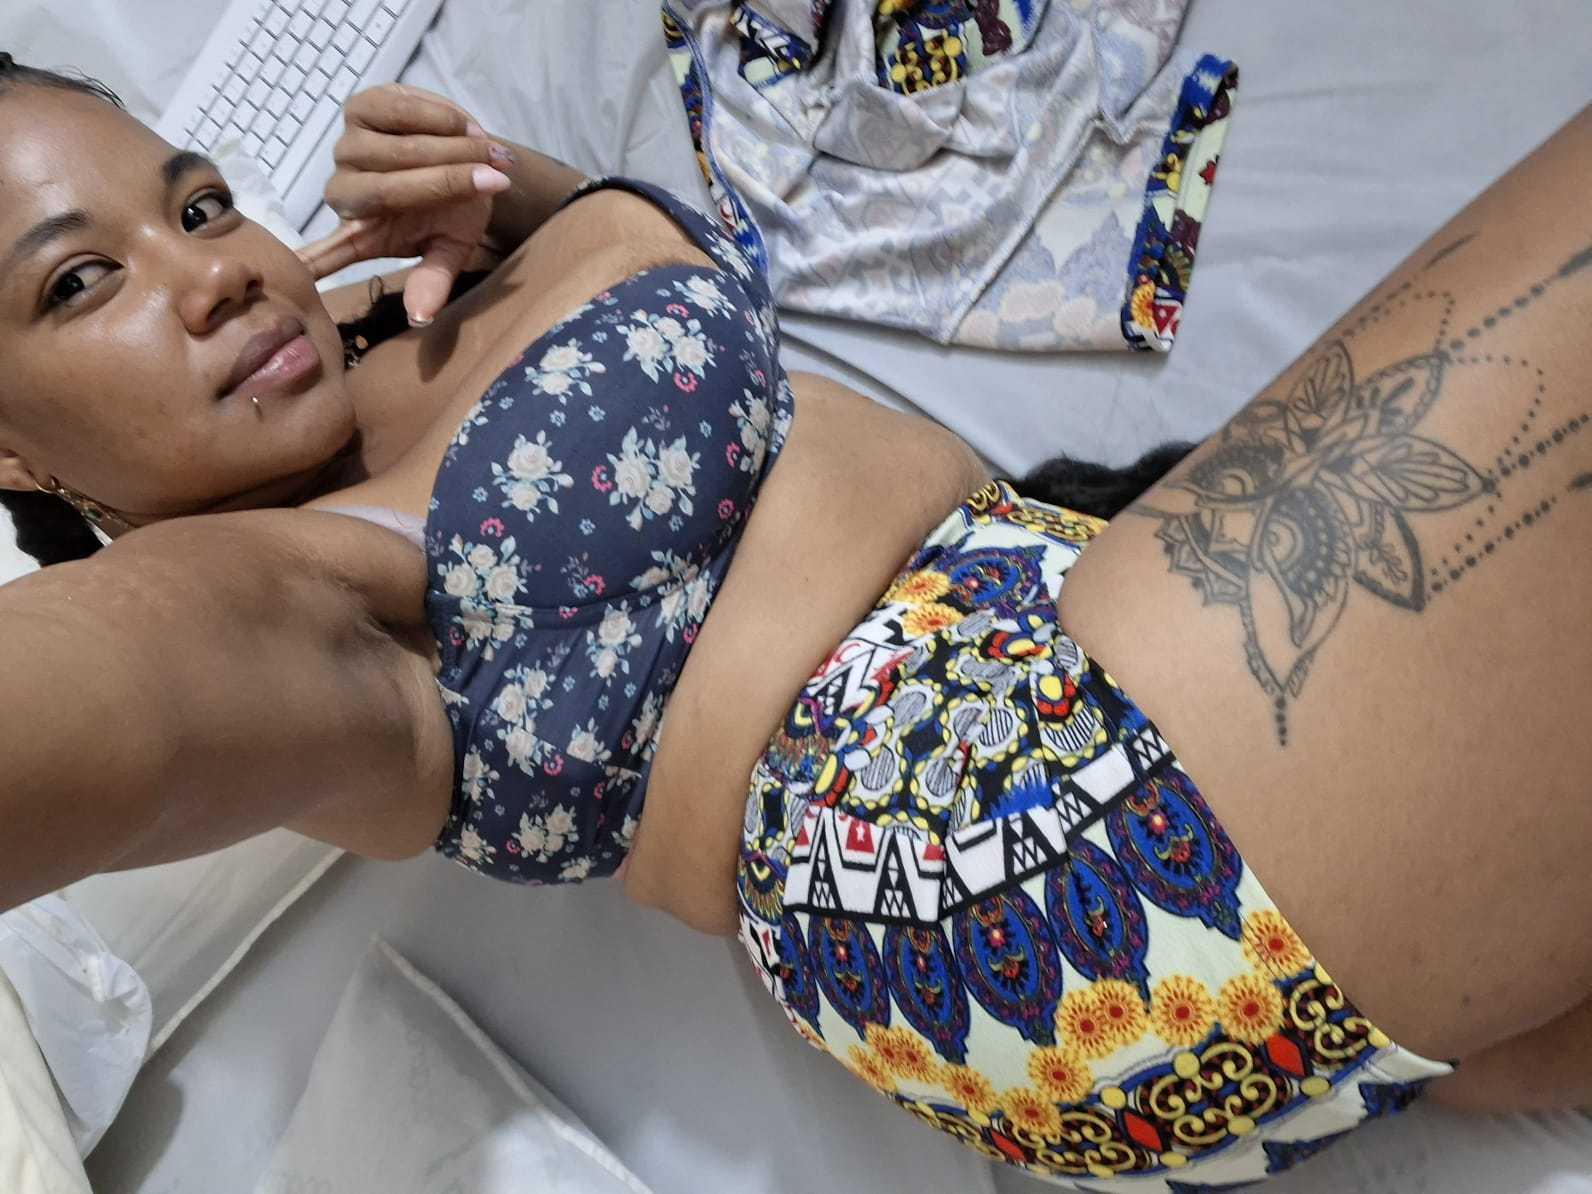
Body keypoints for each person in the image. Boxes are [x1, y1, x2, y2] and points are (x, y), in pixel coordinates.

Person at [0, 53, 1586, 1188]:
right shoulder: (255, 611)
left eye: (199, 205)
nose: (211, 275)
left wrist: (509, 196)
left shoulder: (370, 320)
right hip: (1016, 839)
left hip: (1088, 648)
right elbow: (92, 711)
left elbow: (633, 294)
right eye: (77, 285)